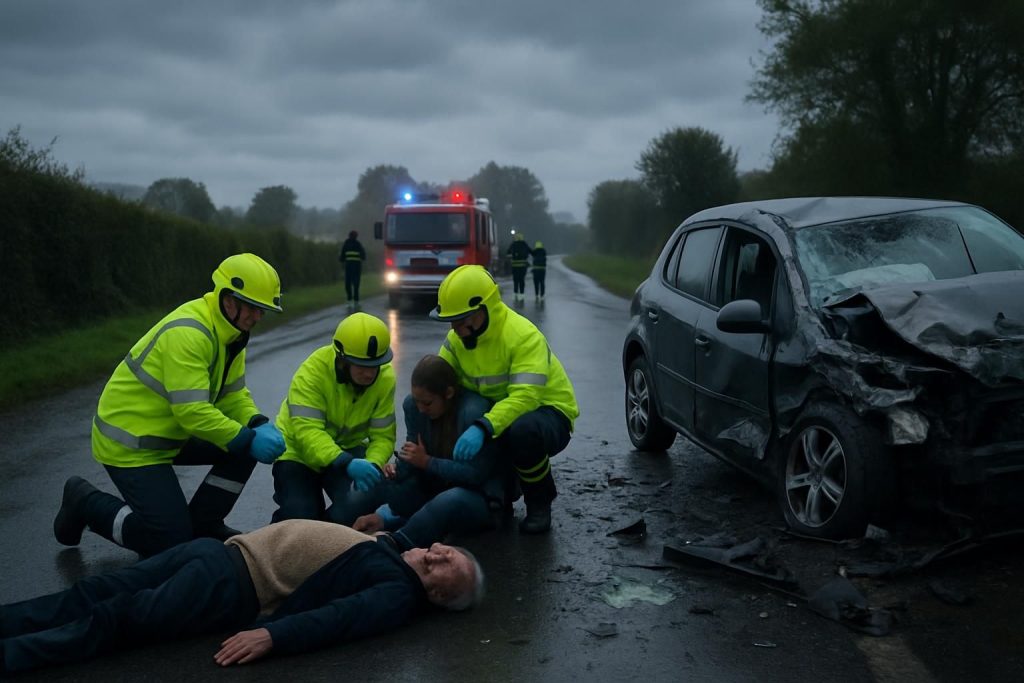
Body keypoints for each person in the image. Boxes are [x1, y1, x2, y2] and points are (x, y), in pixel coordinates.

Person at [0, 519, 484, 674]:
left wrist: (274, 636)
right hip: (218, 553)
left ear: (436, 593)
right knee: (94, 590)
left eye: (447, 563)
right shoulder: (393, 552)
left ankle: (13, 655)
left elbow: (341, 617)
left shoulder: (395, 594)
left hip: (231, 585)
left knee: (114, 618)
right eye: (448, 549)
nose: (440, 550)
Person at [53, 253, 288, 558]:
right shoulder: (189, 333)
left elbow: (232, 395)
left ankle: (204, 525)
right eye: (254, 308)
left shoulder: (231, 333)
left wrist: (256, 423)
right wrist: (247, 438)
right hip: (131, 442)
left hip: (168, 434)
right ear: (229, 300)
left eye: (263, 310)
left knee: (244, 445)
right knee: (169, 542)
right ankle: (84, 501)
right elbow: (192, 412)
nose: (258, 317)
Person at [429, 265, 579, 534]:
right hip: (499, 412)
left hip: (547, 413)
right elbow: (439, 381)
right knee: (465, 411)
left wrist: (483, 426)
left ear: (484, 309)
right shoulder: (456, 339)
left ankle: (539, 502)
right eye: (451, 321)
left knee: (522, 432)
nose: (456, 329)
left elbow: (525, 397)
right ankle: (499, 493)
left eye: (462, 320)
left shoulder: (523, 336)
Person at [346, 354, 503, 550]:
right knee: (376, 480)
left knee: (448, 501)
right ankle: (347, 528)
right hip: (433, 487)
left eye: (427, 403)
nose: (421, 409)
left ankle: (395, 544)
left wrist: (427, 462)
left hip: (477, 498)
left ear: (449, 393)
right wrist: (396, 471)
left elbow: (475, 475)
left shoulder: (473, 411)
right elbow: (413, 455)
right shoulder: (413, 406)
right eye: (417, 401)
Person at [271, 312, 396, 524]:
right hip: (298, 454)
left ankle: (329, 535)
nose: (369, 374)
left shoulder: (385, 378)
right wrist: (345, 463)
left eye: (375, 365)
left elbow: (383, 436)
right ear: (342, 359)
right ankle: (284, 535)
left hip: (347, 451)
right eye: (361, 366)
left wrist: (373, 464)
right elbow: (308, 433)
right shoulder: (312, 373)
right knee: (300, 516)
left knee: (368, 497)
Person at [339, 230, 366, 307]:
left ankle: (349, 299)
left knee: (348, 284)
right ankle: (356, 300)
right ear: (356, 236)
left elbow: (342, 257)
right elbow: (363, 256)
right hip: (357, 267)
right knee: (356, 284)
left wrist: (342, 260)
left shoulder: (346, 244)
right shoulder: (358, 244)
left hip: (348, 267)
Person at [506, 233, 532, 302]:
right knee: (522, 280)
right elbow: (531, 252)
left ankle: (515, 294)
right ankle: (522, 294)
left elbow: (508, 253)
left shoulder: (513, 244)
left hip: (515, 266)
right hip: (523, 266)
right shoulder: (524, 244)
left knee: (516, 280)